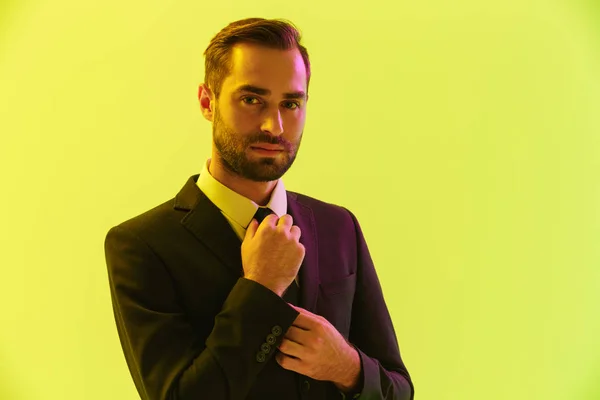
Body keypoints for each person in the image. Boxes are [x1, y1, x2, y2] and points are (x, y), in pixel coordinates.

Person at [104, 17, 414, 400]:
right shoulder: (141, 245)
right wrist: (261, 288)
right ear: (207, 101)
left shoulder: (339, 226)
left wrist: (346, 367)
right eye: (252, 100)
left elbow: (398, 390)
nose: (275, 125)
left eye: (291, 103)